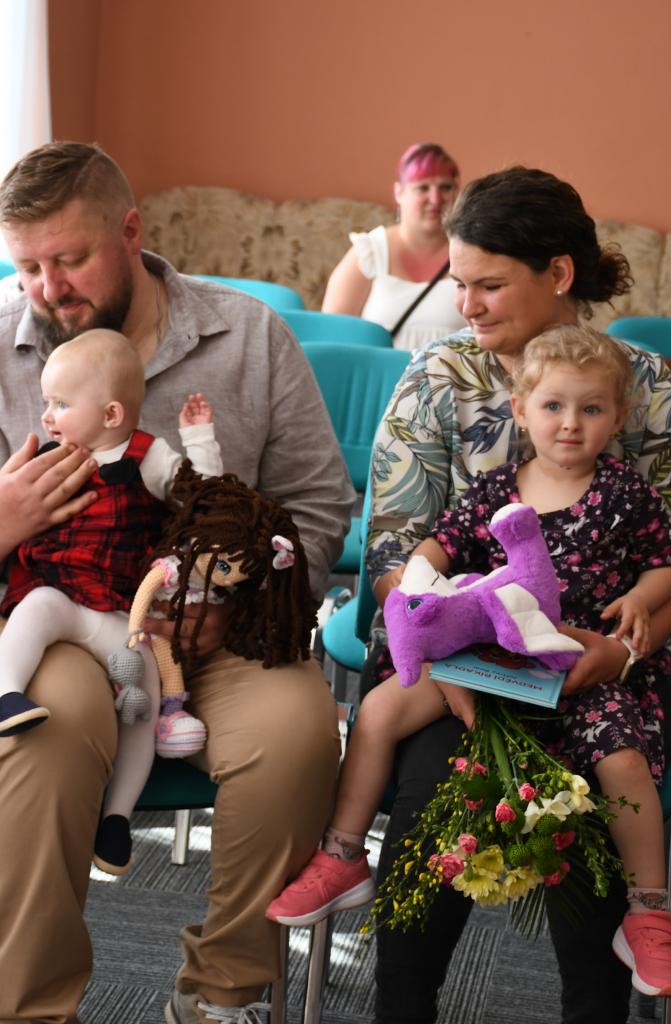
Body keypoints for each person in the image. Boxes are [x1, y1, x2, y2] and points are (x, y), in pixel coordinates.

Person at [0, 141, 354, 1024]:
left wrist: (241, 599)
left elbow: (318, 503)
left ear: (130, 232)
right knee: (41, 733)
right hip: (67, 618)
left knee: (297, 734)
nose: (47, 289)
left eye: (69, 259)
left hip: (224, 629)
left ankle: (221, 995)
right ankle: (28, 1006)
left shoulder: (250, 336)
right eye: (27, 267)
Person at [267, 325, 671, 997]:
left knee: (624, 761)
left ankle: (648, 911)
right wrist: (420, 586)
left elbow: (668, 564)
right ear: (520, 409)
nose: (570, 424)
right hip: (488, 659)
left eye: (591, 409)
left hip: (578, 665)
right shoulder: (495, 490)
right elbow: (435, 546)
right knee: (378, 710)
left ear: (617, 418)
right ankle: (342, 854)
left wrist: (640, 597)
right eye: (553, 406)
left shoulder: (624, 493)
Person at [360, 167, 671, 1024]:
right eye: (458, 283)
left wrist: (623, 650)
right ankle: (402, 1010)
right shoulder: (438, 378)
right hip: (457, 667)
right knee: (439, 796)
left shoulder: (647, 388)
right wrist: (451, 659)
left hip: (608, 668)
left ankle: (595, 1005)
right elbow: (393, 551)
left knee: (597, 802)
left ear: (559, 274)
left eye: (489, 284)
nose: (465, 305)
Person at [0, 328, 223, 874]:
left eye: (61, 404)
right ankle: (6, 694)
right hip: (59, 594)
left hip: (119, 612)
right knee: (32, 612)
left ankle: (117, 818)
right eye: (48, 402)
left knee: (143, 692)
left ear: (112, 414)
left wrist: (199, 440)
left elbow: (206, 501)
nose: (47, 416)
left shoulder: (148, 457)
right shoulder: (49, 457)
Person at [321, 142, 466, 350]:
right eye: (423, 188)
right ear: (399, 192)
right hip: (378, 373)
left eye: (445, 187)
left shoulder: (470, 253)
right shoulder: (369, 252)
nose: (435, 199)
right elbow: (331, 339)